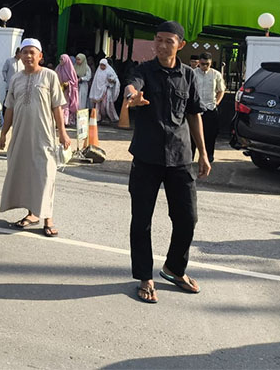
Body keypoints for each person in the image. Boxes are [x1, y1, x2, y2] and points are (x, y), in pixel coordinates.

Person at [124, 20, 211, 304]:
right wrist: (132, 98)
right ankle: (144, 276)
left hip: (181, 157)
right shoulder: (143, 71)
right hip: (147, 157)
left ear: (181, 45)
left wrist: (204, 154)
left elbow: (194, 115)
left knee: (187, 218)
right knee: (142, 220)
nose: (162, 45)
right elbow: (132, 87)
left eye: (168, 41)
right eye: (158, 40)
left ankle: (174, 268)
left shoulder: (188, 76)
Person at [0, 38, 72, 238]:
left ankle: (48, 218)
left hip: (44, 137)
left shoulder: (49, 76)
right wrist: (4, 134)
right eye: (25, 52)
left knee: (45, 175)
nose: (28, 56)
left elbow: (57, 106)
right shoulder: (15, 79)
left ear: (40, 56)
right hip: (21, 136)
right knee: (27, 174)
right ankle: (32, 214)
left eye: (32, 52)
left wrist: (62, 133)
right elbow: (10, 109)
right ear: (19, 56)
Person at [192, 52, 226, 163]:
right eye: (202, 64)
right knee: (192, 134)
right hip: (196, 108)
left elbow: (221, 90)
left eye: (207, 64)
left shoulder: (216, 74)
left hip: (210, 108)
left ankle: (209, 156)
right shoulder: (193, 73)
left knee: (210, 135)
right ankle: (190, 156)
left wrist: (217, 103)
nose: (205, 66)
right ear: (199, 63)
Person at [89, 58, 120, 124]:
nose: (102, 67)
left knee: (106, 105)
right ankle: (100, 118)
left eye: (103, 65)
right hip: (98, 92)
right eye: (101, 65)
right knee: (99, 106)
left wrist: (112, 81)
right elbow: (95, 83)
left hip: (106, 91)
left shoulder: (110, 70)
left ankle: (109, 118)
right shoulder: (98, 71)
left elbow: (116, 80)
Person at [55, 54, 79, 126]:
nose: (61, 61)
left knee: (65, 105)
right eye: (60, 59)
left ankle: (65, 121)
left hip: (68, 91)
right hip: (59, 89)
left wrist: (67, 83)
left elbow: (74, 81)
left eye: (62, 59)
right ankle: (59, 121)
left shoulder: (70, 69)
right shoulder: (58, 68)